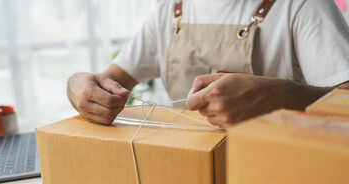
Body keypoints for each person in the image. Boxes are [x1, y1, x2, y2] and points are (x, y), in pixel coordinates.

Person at [67, 0, 349, 129]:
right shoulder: (167, 10)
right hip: (182, 170)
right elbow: (111, 79)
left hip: (275, 176)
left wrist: (280, 98)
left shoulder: (304, 5)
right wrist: (79, 83)